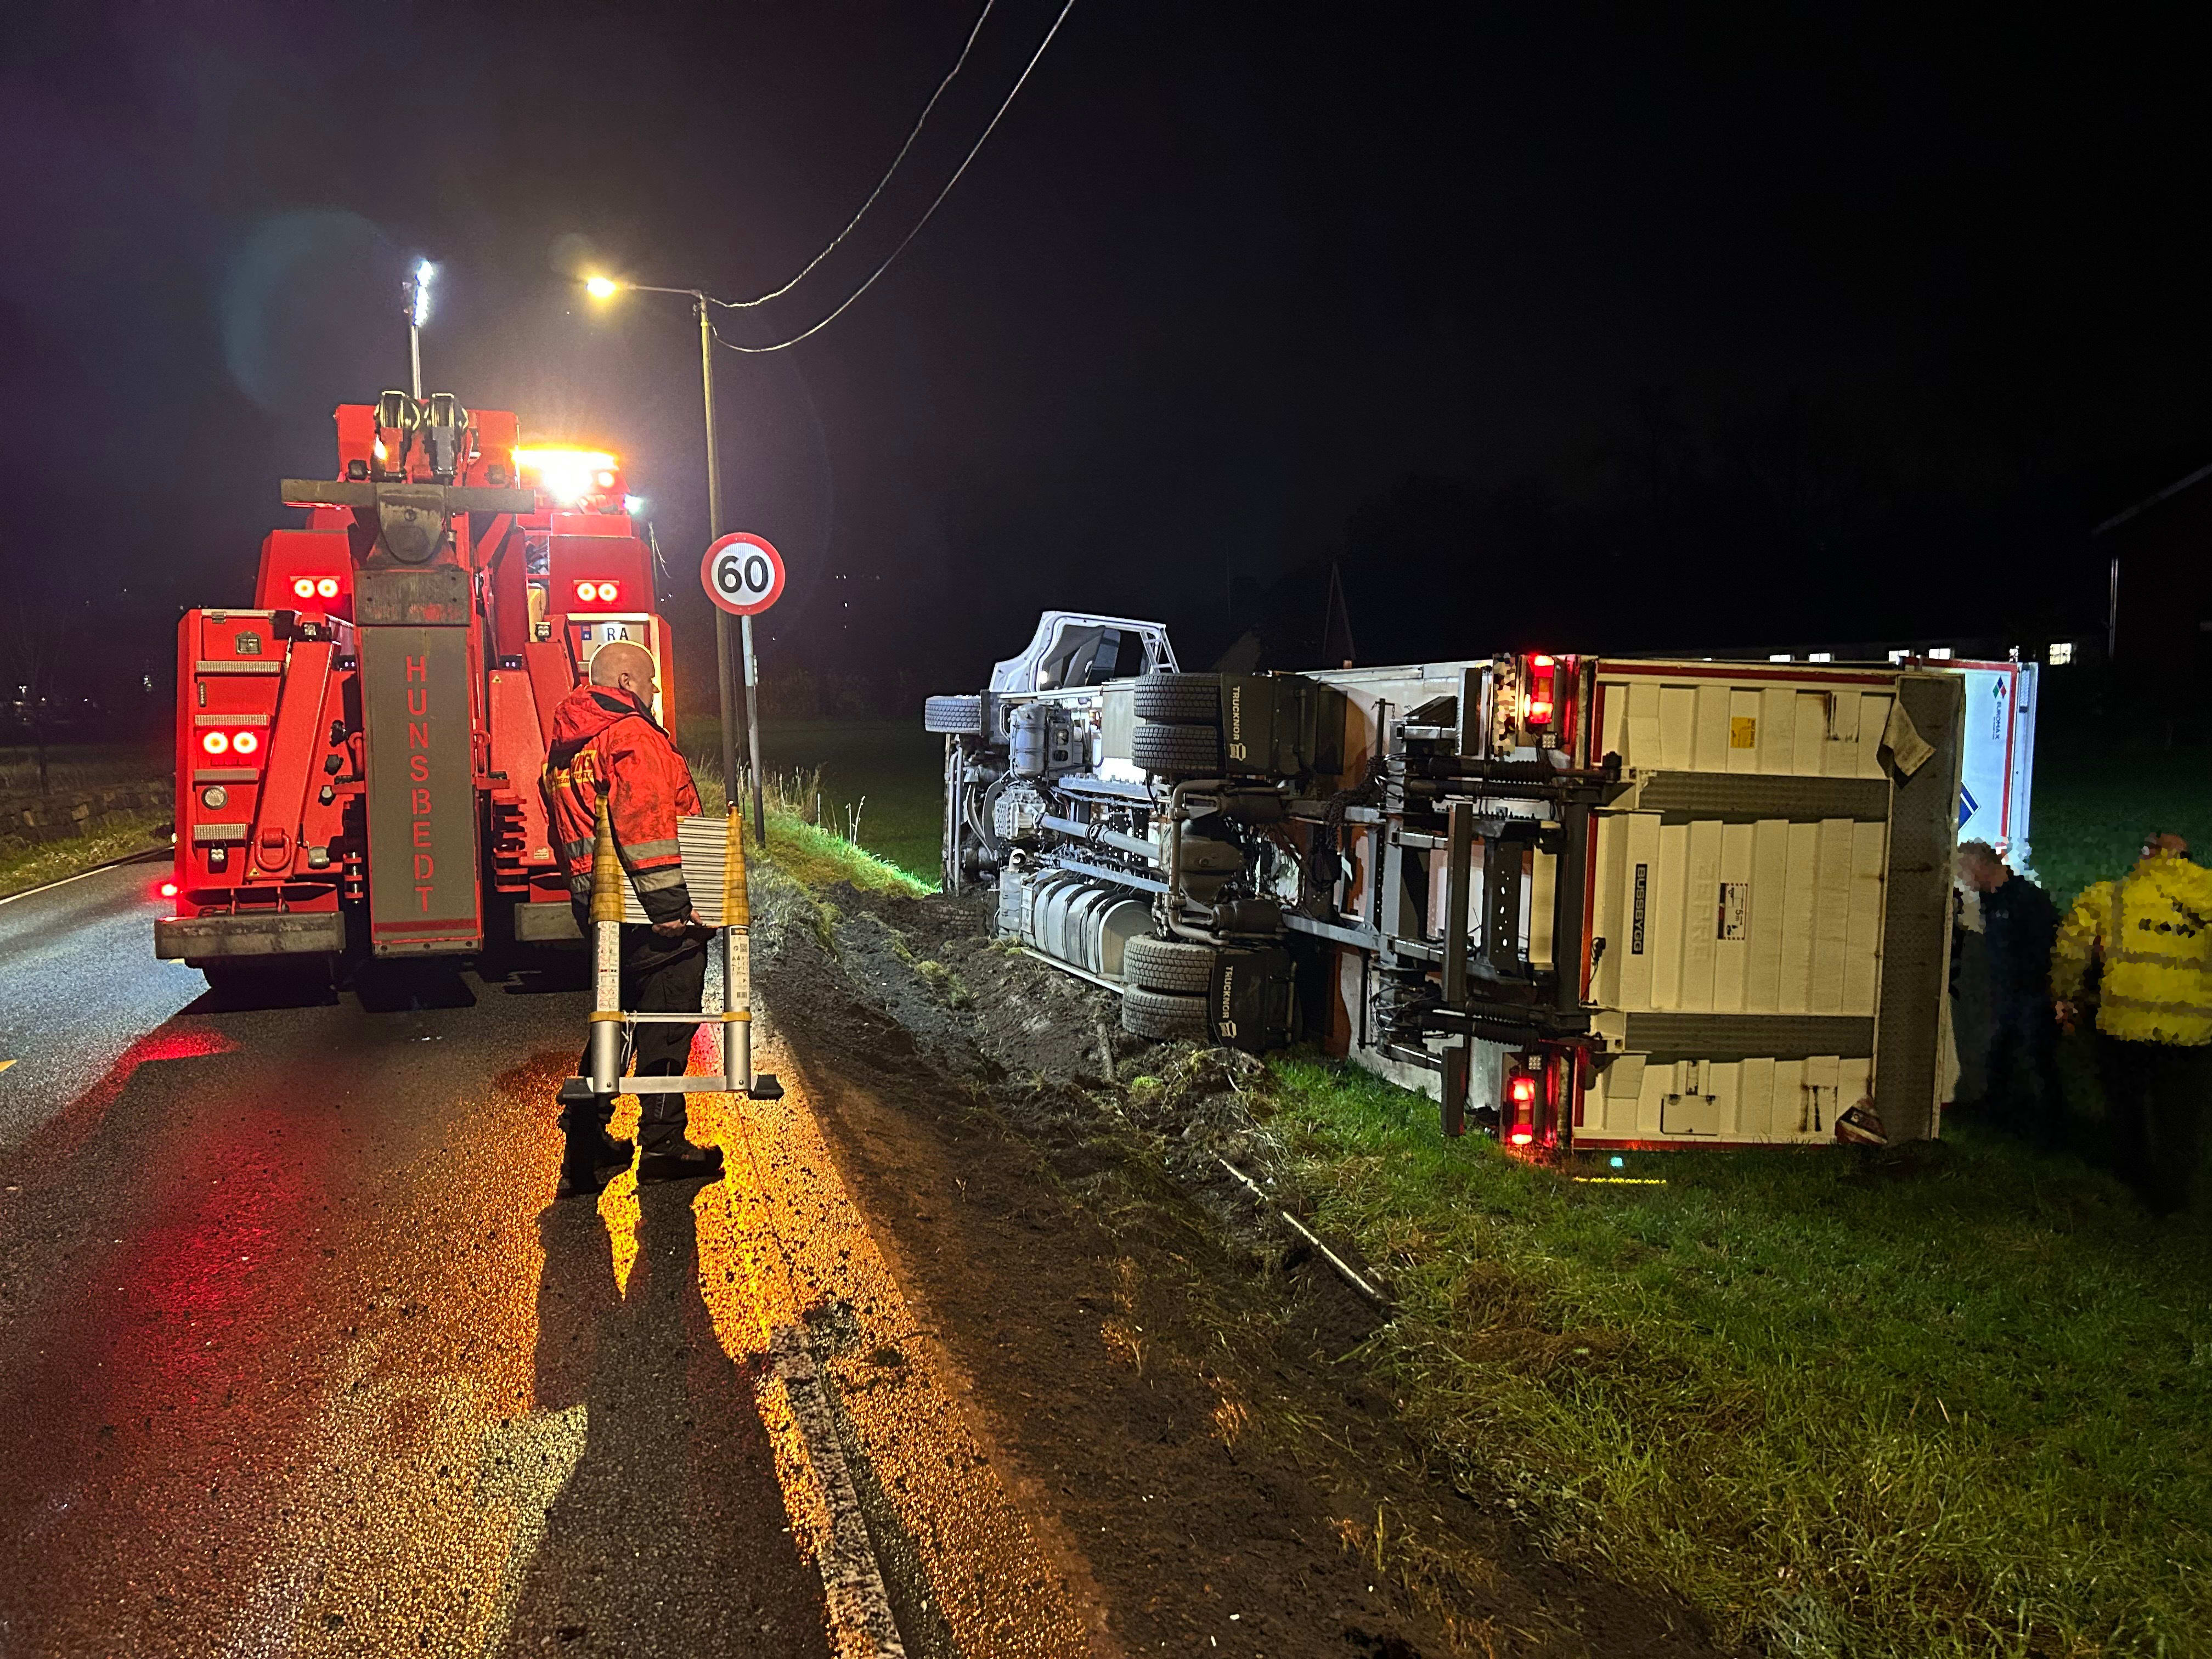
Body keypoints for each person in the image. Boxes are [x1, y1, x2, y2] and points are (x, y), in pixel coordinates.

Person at [543, 640, 723, 1197]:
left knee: (611, 1018)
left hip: (600, 910)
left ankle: (586, 1137)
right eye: (649, 684)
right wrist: (673, 913)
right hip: (649, 914)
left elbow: (566, 835)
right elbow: (645, 828)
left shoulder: (567, 749)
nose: (655, 695)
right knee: (664, 1021)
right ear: (625, 681)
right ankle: (664, 1145)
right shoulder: (633, 738)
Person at [2051, 832, 2212, 1215]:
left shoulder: (2109, 896)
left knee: (2128, 1106)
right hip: (2192, 1030)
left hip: (2125, 1024)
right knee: (2181, 1117)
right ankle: (2172, 1197)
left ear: (2149, 855)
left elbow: (2071, 950)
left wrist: (2065, 995)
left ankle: (2132, 1177)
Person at [1956, 840, 2063, 1144]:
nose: (1963, 878)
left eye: (1964, 870)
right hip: (2007, 996)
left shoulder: (2027, 900)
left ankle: (2049, 1130)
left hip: (2031, 995)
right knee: (2001, 1059)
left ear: (1979, 865)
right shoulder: (1992, 901)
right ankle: (2003, 1124)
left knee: (2035, 1062)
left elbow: (2044, 950)